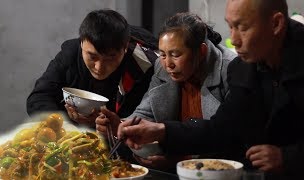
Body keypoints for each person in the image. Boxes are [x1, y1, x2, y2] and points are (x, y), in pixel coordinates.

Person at [117, 0, 304, 179]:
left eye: (243, 28)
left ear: (276, 23)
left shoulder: (233, 65)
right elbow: (221, 128)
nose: (234, 39)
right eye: (231, 26)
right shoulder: (243, 68)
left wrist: (287, 157)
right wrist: (161, 131)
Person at [96, 12, 236, 172]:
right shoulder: (161, 67)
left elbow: (228, 135)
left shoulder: (230, 71)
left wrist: (183, 162)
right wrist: (121, 125)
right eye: (163, 54)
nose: (168, 64)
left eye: (175, 55)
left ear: (201, 51)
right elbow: (145, 113)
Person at [26, 9, 158, 127]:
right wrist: (65, 124)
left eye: (110, 58)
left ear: (125, 48)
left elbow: (150, 121)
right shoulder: (70, 53)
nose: (99, 68)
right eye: (92, 57)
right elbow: (39, 98)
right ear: (82, 43)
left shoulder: (145, 66)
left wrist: (110, 125)